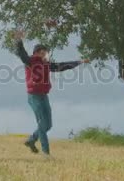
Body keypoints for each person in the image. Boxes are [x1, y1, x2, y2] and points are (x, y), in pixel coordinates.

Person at [13, 30, 89, 158]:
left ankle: (31, 140)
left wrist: (79, 62)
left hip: (44, 96)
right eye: (43, 53)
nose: (45, 55)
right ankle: (46, 153)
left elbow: (62, 66)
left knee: (48, 125)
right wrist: (19, 40)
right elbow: (22, 54)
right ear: (37, 53)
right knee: (42, 124)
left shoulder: (46, 64)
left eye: (46, 53)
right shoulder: (30, 61)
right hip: (34, 97)